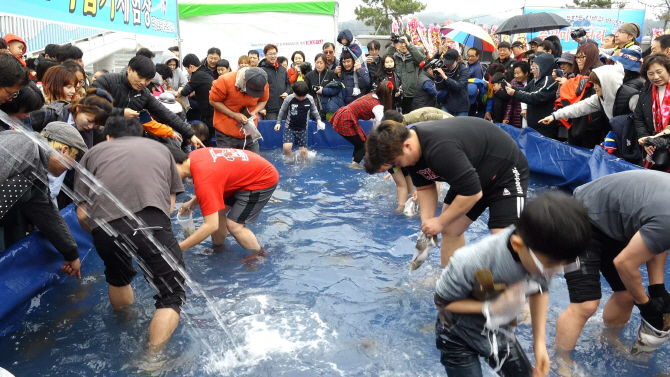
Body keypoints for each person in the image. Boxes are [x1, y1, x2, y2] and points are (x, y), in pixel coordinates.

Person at [434, 192, 590, 377]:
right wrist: (489, 307)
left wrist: (539, 343)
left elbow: (540, 289)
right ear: (517, 245)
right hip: (456, 336)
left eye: (560, 266)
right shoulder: (471, 261)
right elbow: (442, 302)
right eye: (550, 266)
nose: (553, 272)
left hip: (500, 333)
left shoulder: (546, 252)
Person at [74, 116, 185, 348]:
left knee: (118, 277)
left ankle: (124, 324)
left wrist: (99, 235)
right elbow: (170, 202)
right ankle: (153, 361)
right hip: (152, 220)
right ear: (141, 135)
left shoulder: (92, 153)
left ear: (108, 137)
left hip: (105, 227)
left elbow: (82, 214)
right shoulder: (161, 149)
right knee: (171, 295)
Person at [364, 117, 529, 267]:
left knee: (506, 243)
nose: (398, 167)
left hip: (505, 173)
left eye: (396, 162)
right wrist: (427, 225)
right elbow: (424, 187)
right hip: (472, 176)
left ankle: (526, 294)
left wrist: (440, 222)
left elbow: (473, 193)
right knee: (450, 230)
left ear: (407, 146)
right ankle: (452, 282)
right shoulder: (412, 155)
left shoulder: (439, 148)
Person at [555, 170, 670, 354]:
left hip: (612, 223)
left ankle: (608, 339)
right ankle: (561, 361)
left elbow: (660, 241)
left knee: (626, 296)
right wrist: (646, 306)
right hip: (578, 216)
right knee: (586, 304)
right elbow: (624, 263)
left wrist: (658, 289)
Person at [0, 122, 85, 275]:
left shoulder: (35, 170)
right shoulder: (25, 144)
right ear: (65, 150)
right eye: (75, 158)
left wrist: (71, 254)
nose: (72, 166)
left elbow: (45, 212)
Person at [171, 146, 278, 261]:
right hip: (247, 172)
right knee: (217, 213)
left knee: (234, 225)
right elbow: (214, 178)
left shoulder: (204, 178)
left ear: (174, 164)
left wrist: (178, 249)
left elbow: (211, 226)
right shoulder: (195, 156)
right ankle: (219, 247)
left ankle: (258, 254)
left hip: (262, 178)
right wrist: (193, 201)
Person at [93, 56, 204, 149]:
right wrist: (121, 112)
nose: (142, 83)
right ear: (129, 69)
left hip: (129, 142)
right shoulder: (107, 81)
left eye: (147, 80)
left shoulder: (144, 94)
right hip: (100, 138)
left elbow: (167, 114)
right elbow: (91, 106)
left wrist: (190, 135)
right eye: (140, 77)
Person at [540, 64, 639, 150]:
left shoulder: (632, 97)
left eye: (598, 84)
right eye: (594, 83)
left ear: (608, 83)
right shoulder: (599, 98)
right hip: (620, 138)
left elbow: (641, 119)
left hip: (636, 140)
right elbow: (578, 108)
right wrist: (554, 116)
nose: (594, 87)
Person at [380, 109, 452, 211]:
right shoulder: (399, 135)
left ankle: (436, 198)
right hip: (431, 134)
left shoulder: (417, 121)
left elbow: (445, 121)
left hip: (445, 128)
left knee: (432, 169)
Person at [331, 82, 393, 169]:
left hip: (343, 114)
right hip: (346, 119)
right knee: (364, 144)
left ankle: (354, 161)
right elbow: (379, 126)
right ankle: (355, 164)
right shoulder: (378, 107)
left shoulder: (371, 96)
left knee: (360, 142)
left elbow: (368, 115)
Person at [25, 87, 113, 148]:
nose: (90, 126)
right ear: (78, 108)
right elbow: (20, 127)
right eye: (89, 121)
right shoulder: (49, 113)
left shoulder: (94, 133)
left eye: (96, 125)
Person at [209, 67, 269, 152]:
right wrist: (233, 114)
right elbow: (213, 101)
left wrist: (254, 112)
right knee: (228, 163)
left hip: (250, 131)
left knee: (253, 163)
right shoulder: (225, 80)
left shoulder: (261, 81)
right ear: (244, 80)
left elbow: (264, 100)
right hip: (226, 133)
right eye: (251, 91)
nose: (252, 94)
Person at [505, 53, 559, 139]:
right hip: (534, 125)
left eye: (534, 68)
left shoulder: (549, 81)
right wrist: (512, 87)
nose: (532, 71)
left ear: (542, 67)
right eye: (532, 68)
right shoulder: (536, 79)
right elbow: (525, 90)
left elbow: (535, 97)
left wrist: (514, 93)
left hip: (544, 126)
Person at [634, 53, 670, 172]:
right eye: (651, 74)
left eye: (659, 71)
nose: (656, 77)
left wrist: (658, 139)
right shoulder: (646, 90)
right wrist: (645, 138)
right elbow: (639, 117)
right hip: (653, 147)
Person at [274, 81, 322, 159]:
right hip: (289, 128)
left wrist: (318, 120)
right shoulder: (289, 98)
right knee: (286, 148)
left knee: (303, 152)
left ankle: (304, 166)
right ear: (294, 92)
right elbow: (282, 110)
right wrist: (278, 122)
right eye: (298, 96)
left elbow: (314, 110)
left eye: (303, 96)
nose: (300, 98)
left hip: (303, 129)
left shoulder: (309, 99)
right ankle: (289, 161)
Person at [179, 54, 215, 144]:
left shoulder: (197, 75)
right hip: (213, 109)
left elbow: (185, 92)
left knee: (206, 138)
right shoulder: (206, 71)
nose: (188, 72)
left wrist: (180, 90)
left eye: (187, 69)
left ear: (191, 66)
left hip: (209, 111)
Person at [386, 34, 424, 112]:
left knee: (408, 118)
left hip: (410, 94)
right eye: (401, 42)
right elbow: (386, 58)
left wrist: (409, 45)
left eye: (405, 43)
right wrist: (393, 44)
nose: (403, 45)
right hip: (396, 93)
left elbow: (420, 59)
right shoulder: (395, 57)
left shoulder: (414, 58)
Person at [258, 44, 291, 120]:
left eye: (274, 53)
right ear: (265, 55)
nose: (273, 56)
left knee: (284, 129)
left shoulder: (282, 69)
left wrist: (287, 92)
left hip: (284, 106)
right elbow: (259, 89)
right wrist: (263, 107)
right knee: (272, 130)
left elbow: (288, 84)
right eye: (270, 54)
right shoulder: (262, 70)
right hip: (270, 109)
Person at [437, 49, 470, 117]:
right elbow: (439, 87)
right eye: (447, 63)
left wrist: (445, 77)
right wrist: (438, 76)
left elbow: (459, 86)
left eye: (451, 64)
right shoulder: (445, 68)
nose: (448, 65)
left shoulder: (464, 70)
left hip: (461, 105)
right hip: (448, 103)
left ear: (457, 61)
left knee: (459, 127)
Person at [504, 61, 530, 128]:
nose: (516, 76)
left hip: (529, 117)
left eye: (518, 73)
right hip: (516, 117)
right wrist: (507, 117)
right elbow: (510, 103)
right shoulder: (513, 83)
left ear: (526, 73)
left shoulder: (531, 82)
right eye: (515, 73)